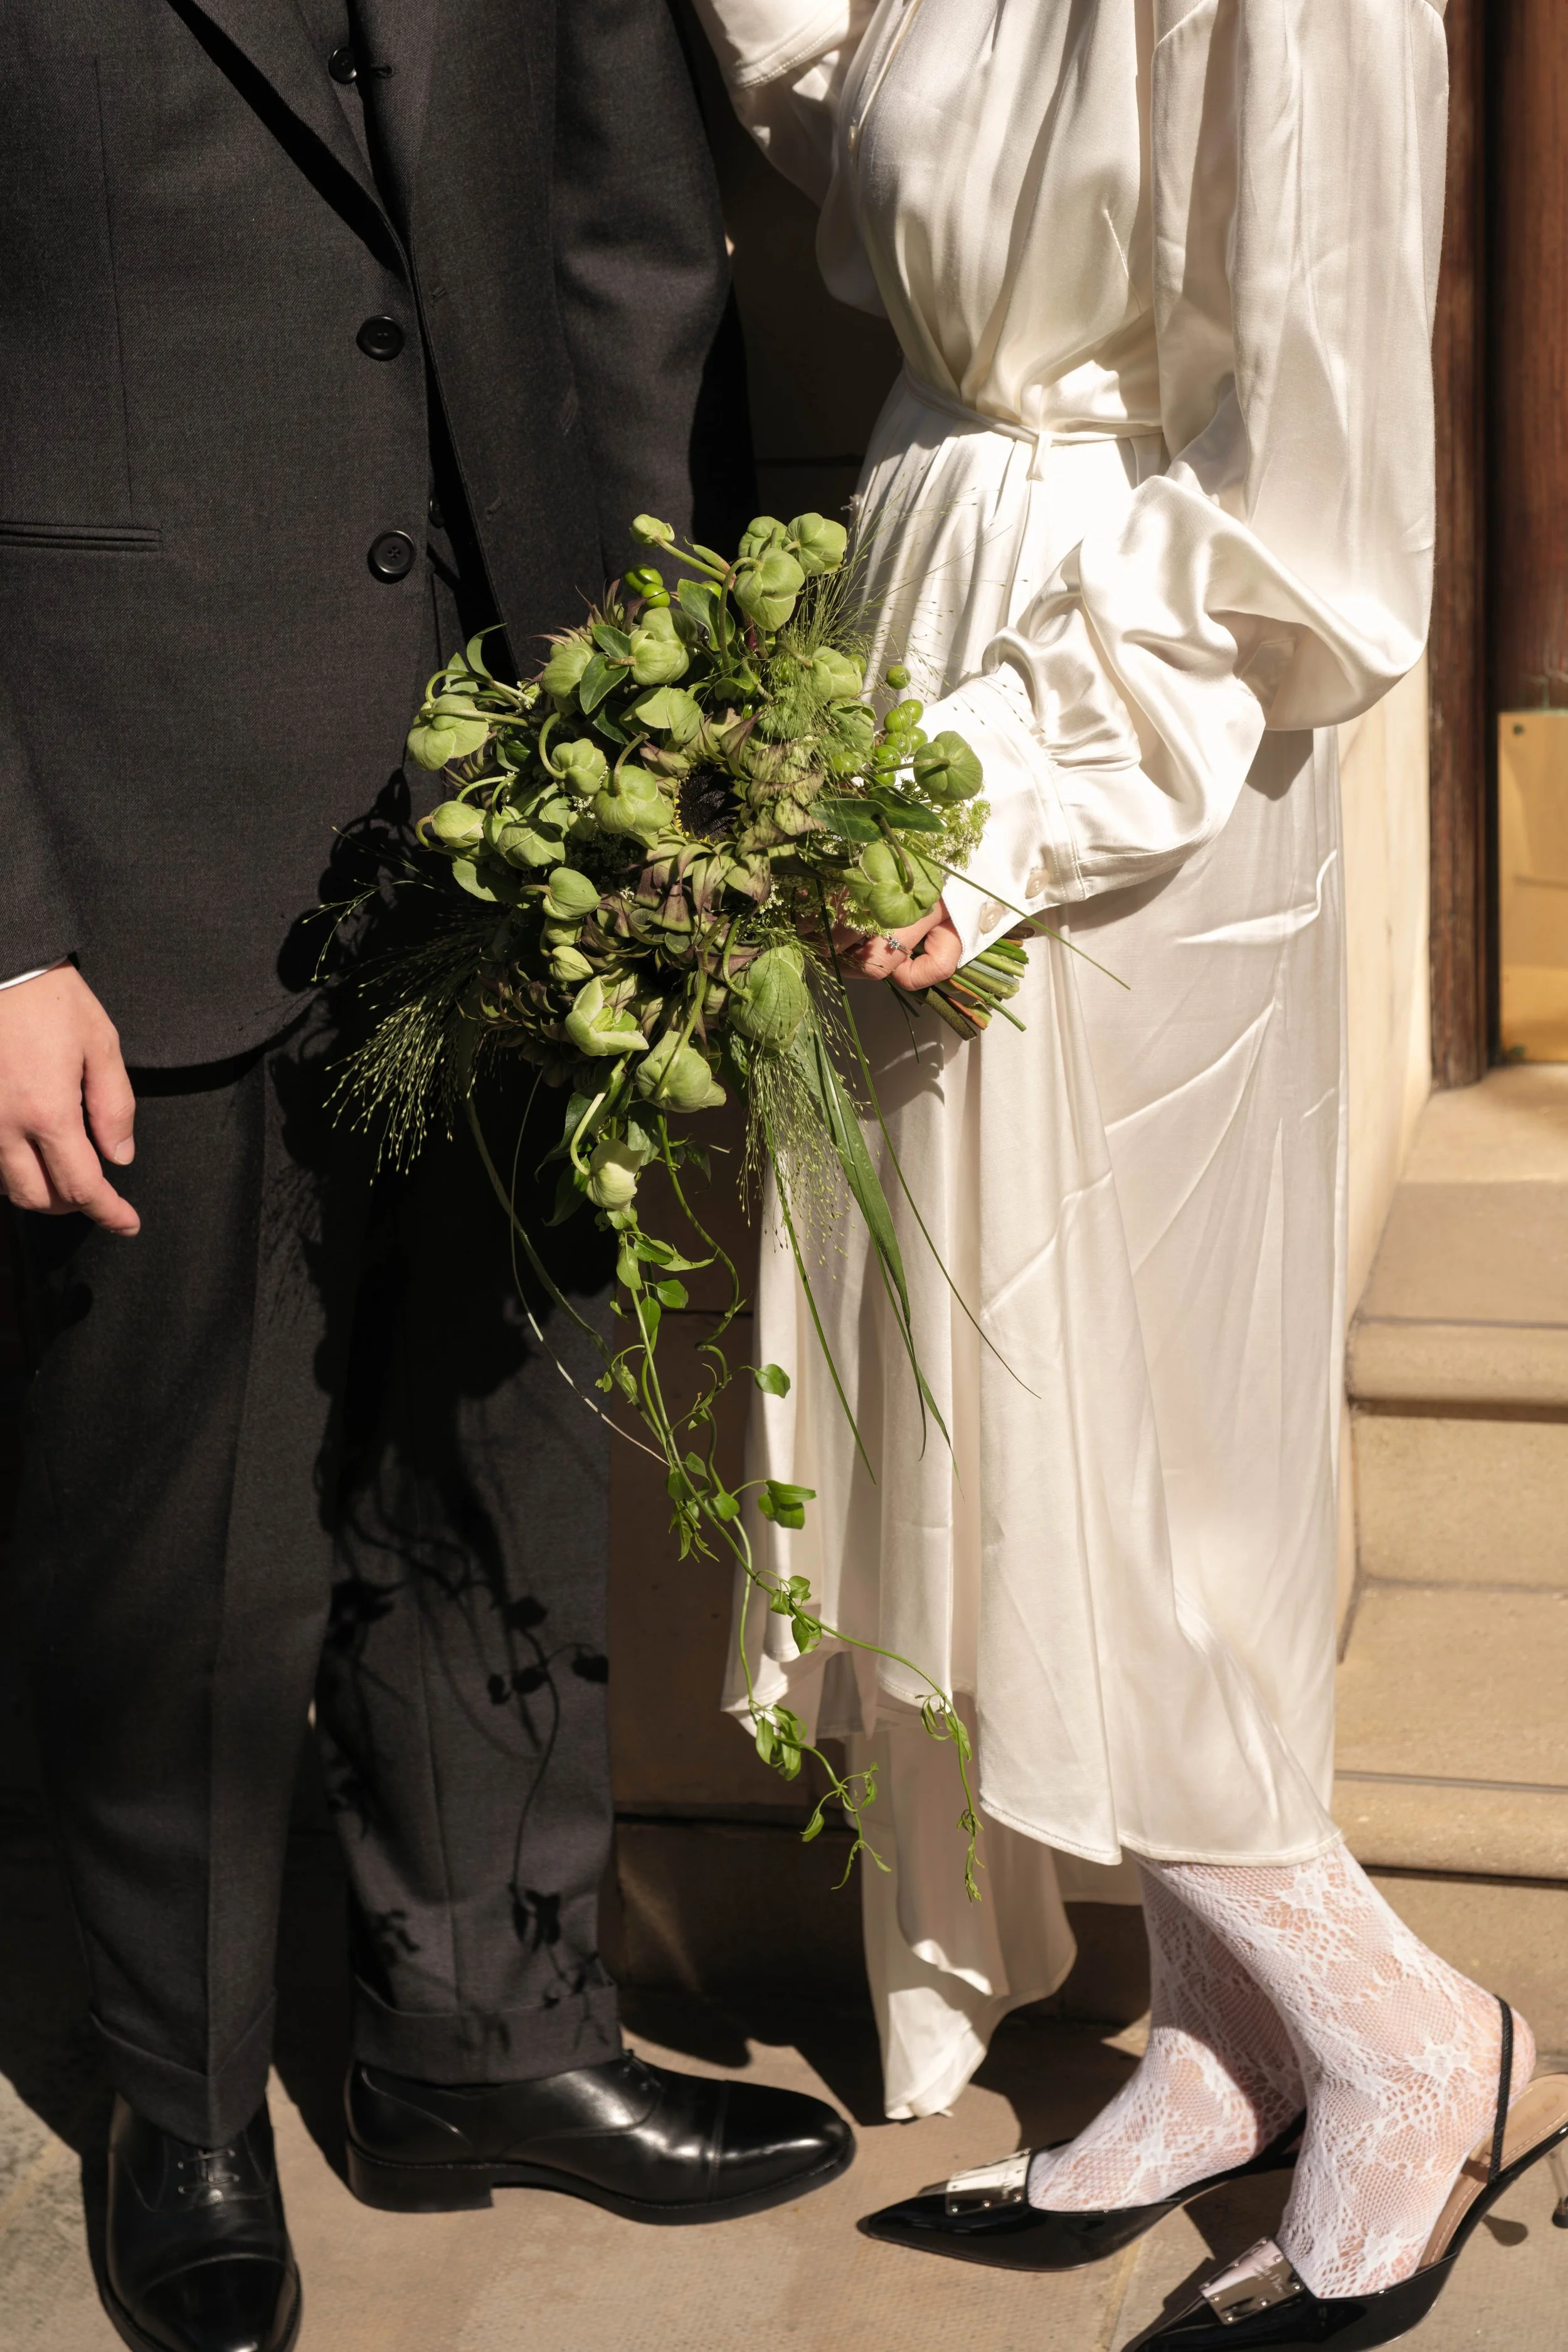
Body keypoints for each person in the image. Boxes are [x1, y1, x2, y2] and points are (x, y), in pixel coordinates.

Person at [692, 0, 1568, 2341]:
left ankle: (1404, 2026)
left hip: (1133, 730)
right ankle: (1222, 2035)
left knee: (1121, 1429)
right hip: (935, 626)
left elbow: (1316, 503)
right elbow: (827, 98)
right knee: (996, 1394)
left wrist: (1002, 792)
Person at [0, 9, 851, 2352]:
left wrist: (676, 724)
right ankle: (177, 2104)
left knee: (505, 1428)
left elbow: (628, 238)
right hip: (129, 779)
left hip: (527, 788)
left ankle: (490, 2029)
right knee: (190, 1527)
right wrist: (3, 928)